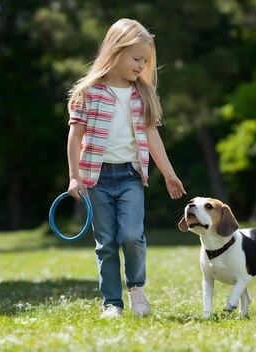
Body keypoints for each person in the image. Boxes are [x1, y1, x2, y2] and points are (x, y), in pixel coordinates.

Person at [65, 18, 187, 318]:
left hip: (130, 177)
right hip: (97, 179)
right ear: (115, 52)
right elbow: (75, 136)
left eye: (145, 61)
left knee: (132, 236)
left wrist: (170, 174)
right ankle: (112, 304)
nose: (141, 66)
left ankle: (136, 288)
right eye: (136, 59)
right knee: (106, 243)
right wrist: (73, 176)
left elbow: (152, 137)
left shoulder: (141, 94)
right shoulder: (89, 92)